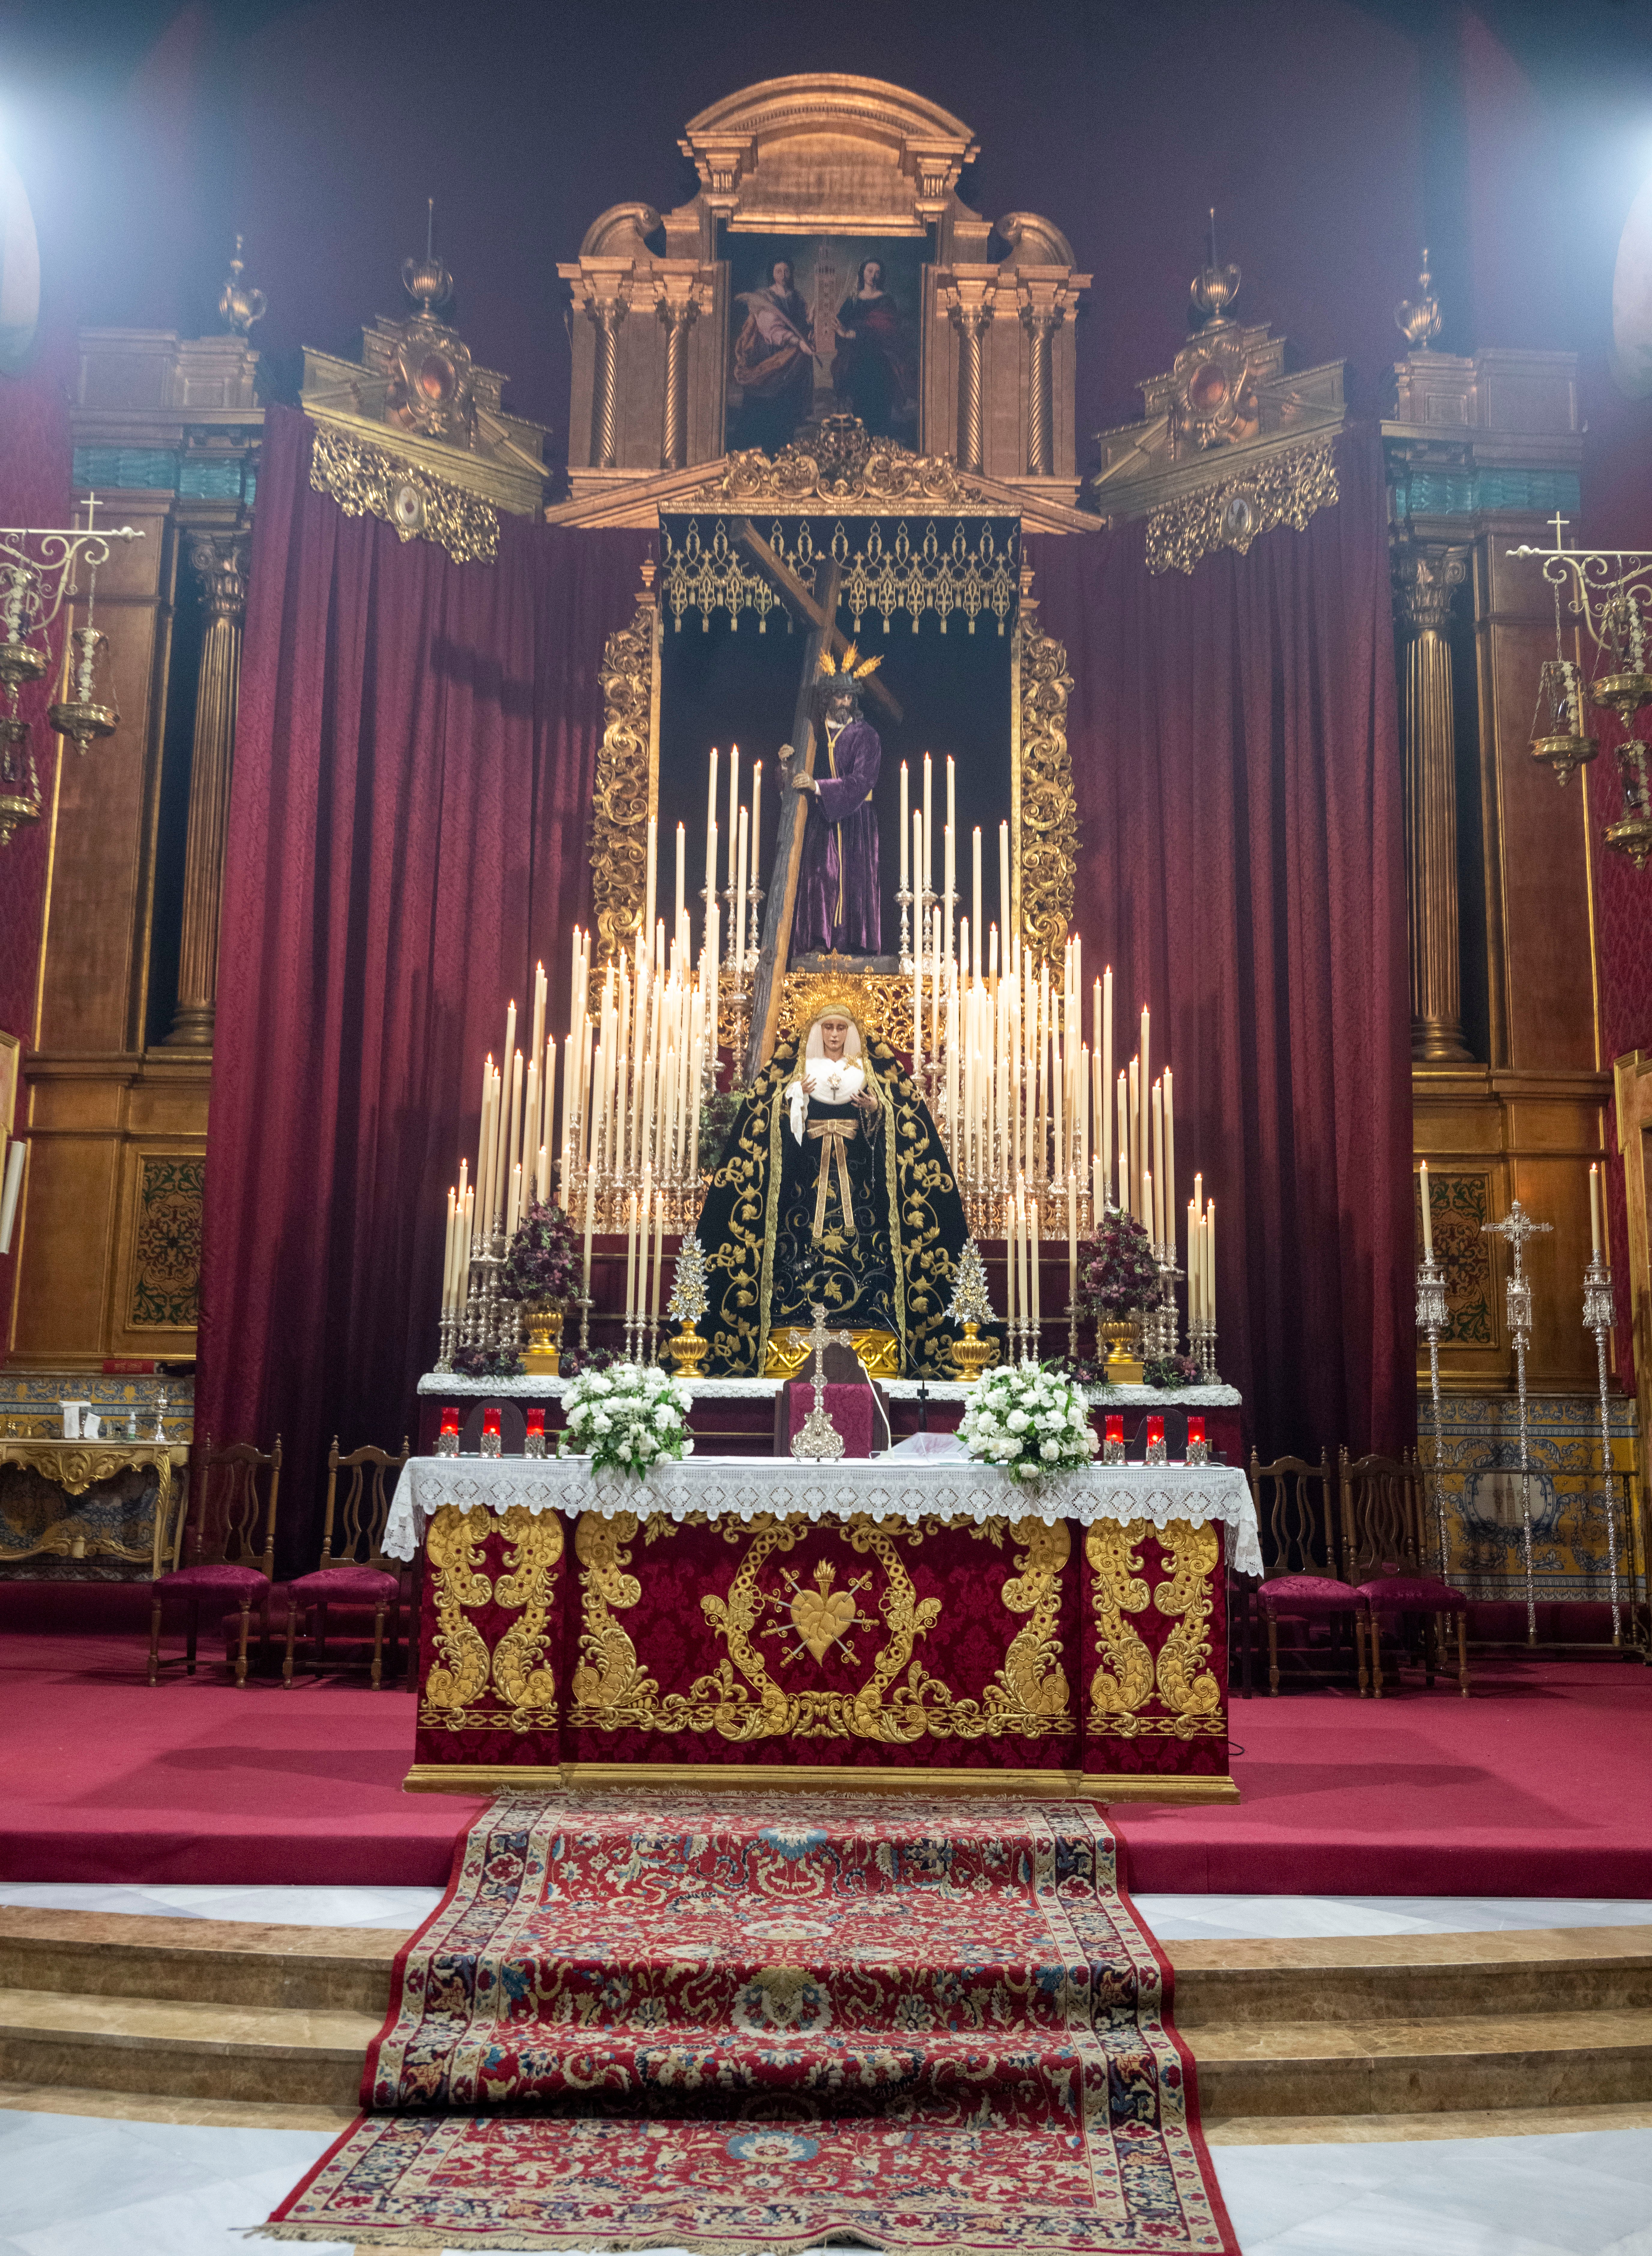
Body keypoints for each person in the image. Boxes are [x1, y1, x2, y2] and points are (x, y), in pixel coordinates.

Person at [693, 1002, 969, 1376]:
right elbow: (768, 1132)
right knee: (797, 1253)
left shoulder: (867, 1074)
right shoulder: (798, 1074)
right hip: (806, 1194)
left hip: (857, 1193)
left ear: (850, 1031)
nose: (835, 1035)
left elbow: (893, 1140)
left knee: (869, 1257)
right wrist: (794, 1101)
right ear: (817, 1031)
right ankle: (790, 1333)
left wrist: (876, 1112)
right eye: (828, 1027)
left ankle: (873, 1330)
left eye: (841, 1027)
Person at [781, 647, 882, 956]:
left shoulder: (866, 736)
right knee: (820, 877)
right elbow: (794, 784)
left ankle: (853, 946)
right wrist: (787, 767)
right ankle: (817, 942)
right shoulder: (812, 733)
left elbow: (863, 781)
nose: (845, 703)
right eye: (839, 697)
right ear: (828, 697)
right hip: (822, 821)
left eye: (849, 697)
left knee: (854, 882)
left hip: (856, 823)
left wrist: (818, 786)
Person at [732, 258, 815, 454]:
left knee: (788, 409)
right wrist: (798, 342)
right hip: (771, 359)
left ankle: (783, 451)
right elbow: (771, 330)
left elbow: (801, 326)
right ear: (772, 274)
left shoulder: (797, 298)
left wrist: (810, 322)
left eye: (787, 271)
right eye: (779, 271)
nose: (784, 276)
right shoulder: (765, 297)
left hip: (793, 362)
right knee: (766, 410)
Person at [831, 258, 912, 437]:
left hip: (879, 358)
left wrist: (854, 332)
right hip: (857, 358)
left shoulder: (885, 300)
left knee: (879, 400)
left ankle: (879, 439)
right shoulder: (853, 300)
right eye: (870, 271)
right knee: (859, 401)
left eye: (877, 272)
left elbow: (887, 328)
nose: (873, 276)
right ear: (863, 273)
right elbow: (840, 324)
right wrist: (837, 328)